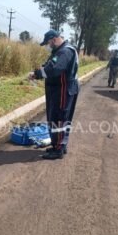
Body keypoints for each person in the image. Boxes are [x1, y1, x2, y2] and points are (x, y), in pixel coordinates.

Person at [29, 29, 79, 160]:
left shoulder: (65, 51)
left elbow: (53, 69)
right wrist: (38, 72)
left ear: (54, 39)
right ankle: (59, 145)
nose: (48, 45)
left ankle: (58, 149)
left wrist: (38, 74)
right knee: (59, 118)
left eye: (48, 43)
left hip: (63, 90)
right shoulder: (59, 51)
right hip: (59, 89)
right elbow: (49, 65)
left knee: (59, 118)